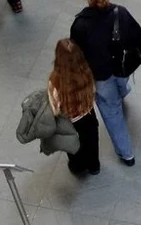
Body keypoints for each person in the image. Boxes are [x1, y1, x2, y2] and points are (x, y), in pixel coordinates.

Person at [69, 0, 141, 166]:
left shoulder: (80, 25)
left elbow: (77, 55)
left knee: (112, 113)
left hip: (100, 76)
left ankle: (126, 153)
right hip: (122, 67)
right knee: (120, 86)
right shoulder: (120, 12)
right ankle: (123, 91)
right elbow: (138, 38)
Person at [44, 38, 100, 176]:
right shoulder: (87, 71)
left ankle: (78, 167)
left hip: (69, 121)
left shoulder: (55, 80)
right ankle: (94, 166)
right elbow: (93, 92)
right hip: (88, 115)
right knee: (92, 141)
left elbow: (55, 107)